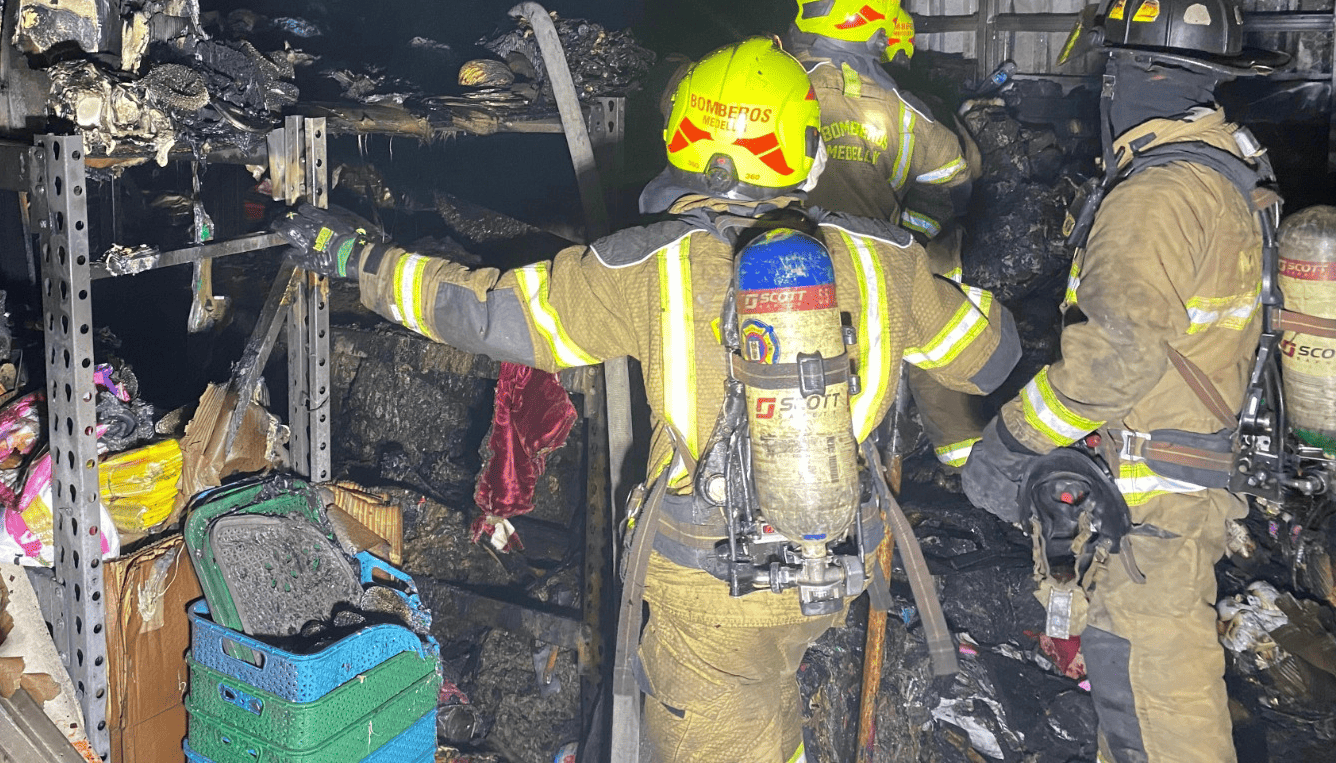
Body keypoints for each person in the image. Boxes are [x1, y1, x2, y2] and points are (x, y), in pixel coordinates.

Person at [276, 37, 1021, 763]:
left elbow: (486, 310)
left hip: (712, 588)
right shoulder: (881, 257)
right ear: (805, 147)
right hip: (834, 569)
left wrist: (359, 259)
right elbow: (991, 361)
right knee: (763, 706)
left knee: (717, 733)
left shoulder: (649, 264)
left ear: (686, 138)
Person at [962, 0, 1283, 763]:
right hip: (1179, 481)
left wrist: (1016, 438)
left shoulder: (1158, 195)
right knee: (1131, 687)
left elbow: (1122, 351)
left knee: (1153, 700)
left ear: (1132, 73)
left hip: (1155, 502)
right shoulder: (1226, 171)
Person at [785, 0, 987, 469]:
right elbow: (953, 178)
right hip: (875, 275)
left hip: (778, 276)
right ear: (867, 21)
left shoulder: (769, 86)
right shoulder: (899, 108)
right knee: (942, 278)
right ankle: (961, 454)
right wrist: (913, 237)